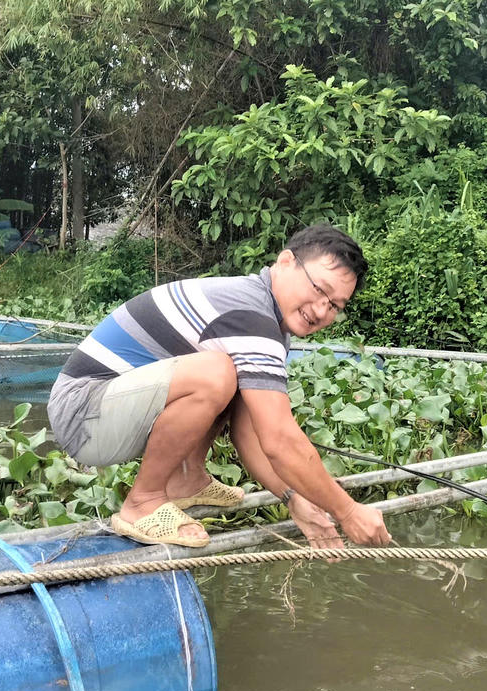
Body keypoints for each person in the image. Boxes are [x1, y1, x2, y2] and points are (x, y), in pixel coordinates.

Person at [48, 224, 391, 549]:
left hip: (110, 410)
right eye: (320, 290)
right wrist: (347, 512)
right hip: (83, 413)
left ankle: (187, 479)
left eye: (335, 306)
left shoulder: (268, 325)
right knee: (217, 372)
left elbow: (250, 434)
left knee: (225, 374)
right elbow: (279, 440)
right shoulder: (249, 313)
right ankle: (143, 502)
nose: (321, 310)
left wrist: (294, 498)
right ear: (286, 262)